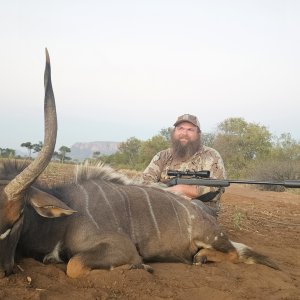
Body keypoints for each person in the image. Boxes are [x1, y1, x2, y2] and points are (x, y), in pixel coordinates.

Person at [142, 114, 226, 216]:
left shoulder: (211, 155)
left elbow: (215, 190)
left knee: (194, 206)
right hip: (164, 204)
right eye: (180, 128)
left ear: (198, 134)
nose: (184, 133)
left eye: (190, 130)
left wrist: (182, 189)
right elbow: (145, 183)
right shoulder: (162, 156)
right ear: (174, 132)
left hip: (201, 210)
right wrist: (171, 192)